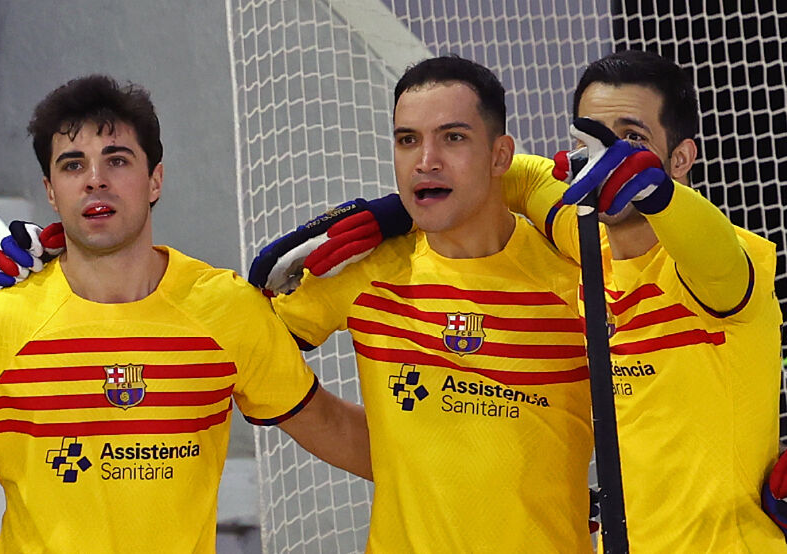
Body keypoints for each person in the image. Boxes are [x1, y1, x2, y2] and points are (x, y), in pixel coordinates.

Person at [252, 51, 786, 551]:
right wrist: (401, 208)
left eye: (633, 139)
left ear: (681, 158)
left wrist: (660, 195)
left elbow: (720, 264)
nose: (612, 160)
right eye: (596, 141)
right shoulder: (585, 250)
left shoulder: (704, 265)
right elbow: (521, 177)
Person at [0, 74, 371, 553]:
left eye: (116, 160)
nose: (95, 179)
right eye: (73, 165)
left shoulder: (227, 308)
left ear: (155, 179)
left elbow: (334, 428)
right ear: (51, 191)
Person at [265, 56, 596, 552]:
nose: (425, 161)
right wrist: (398, 459)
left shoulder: (576, 283)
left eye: (453, 137)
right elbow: (250, 353)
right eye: (407, 140)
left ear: (500, 155)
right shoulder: (364, 271)